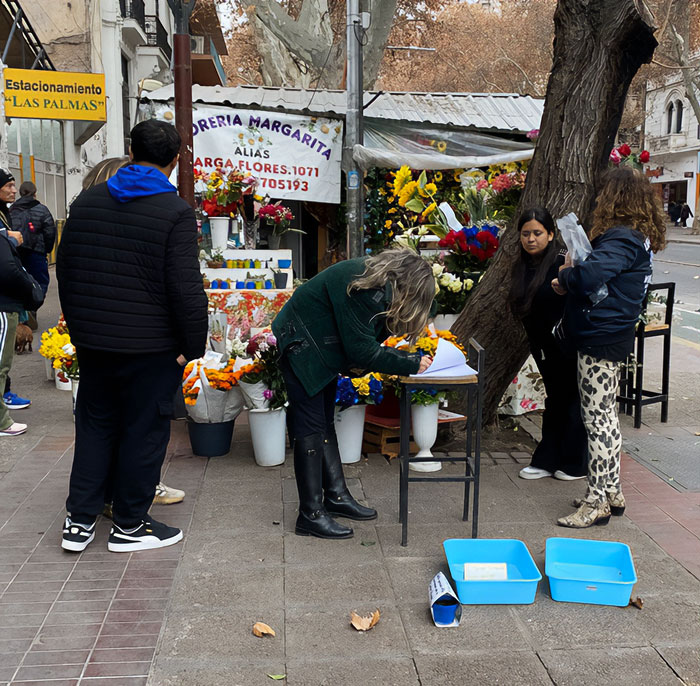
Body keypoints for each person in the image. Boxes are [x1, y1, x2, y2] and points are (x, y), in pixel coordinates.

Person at [57, 120, 208, 553]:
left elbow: (66, 272)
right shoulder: (173, 211)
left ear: (129, 150)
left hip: (96, 343)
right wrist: (191, 349)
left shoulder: (86, 202)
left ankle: (79, 522)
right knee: (144, 432)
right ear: (176, 160)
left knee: (95, 428)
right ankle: (129, 525)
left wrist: (81, 331)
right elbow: (185, 289)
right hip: (151, 348)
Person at [272, 248, 435, 540]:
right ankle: (310, 514)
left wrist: (359, 362)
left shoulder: (378, 283)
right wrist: (409, 363)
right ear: (408, 286)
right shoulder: (367, 288)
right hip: (302, 343)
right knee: (310, 427)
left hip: (320, 342)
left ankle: (335, 496)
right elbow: (362, 348)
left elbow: (365, 337)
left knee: (323, 422)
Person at [552, 167, 666, 528]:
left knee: (596, 419)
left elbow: (588, 276)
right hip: (613, 333)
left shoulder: (620, 238)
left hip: (600, 337)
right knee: (606, 417)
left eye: (602, 194)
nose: (597, 199)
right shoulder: (637, 237)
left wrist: (567, 274)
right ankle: (611, 490)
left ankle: (597, 500)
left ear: (613, 198)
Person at [80, 156, 187, 509]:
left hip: (100, 336)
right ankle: (129, 503)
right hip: (144, 341)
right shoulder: (150, 211)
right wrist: (187, 343)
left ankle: (98, 506)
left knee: (106, 425)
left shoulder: (92, 209)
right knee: (138, 425)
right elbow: (177, 286)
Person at [509, 208, 587, 481]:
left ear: (551, 234)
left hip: (566, 344)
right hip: (542, 346)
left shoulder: (561, 262)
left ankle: (574, 463)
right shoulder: (520, 265)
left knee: (570, 400)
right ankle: (548, 459)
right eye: (526, 233)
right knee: (556, 399)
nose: (531, 239)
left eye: (538, 233)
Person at [0, 168, 44, 437]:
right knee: (1, 362)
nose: (13, 190)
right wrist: (29, 289)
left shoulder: (7, 213)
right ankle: (2, 422)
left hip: (7, 298)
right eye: (9, 185)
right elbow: (6, 268)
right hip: (4, 301)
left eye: (15, 186)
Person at [10, 180, 57, 299]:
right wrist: (47, 249)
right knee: (40, 283)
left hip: (17, 252)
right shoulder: (42, 210)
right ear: (35, 193)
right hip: (37, 253)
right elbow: (50, 232)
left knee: (20, 282)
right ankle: (33, 307)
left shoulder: (12, 210)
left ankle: (25, 310)